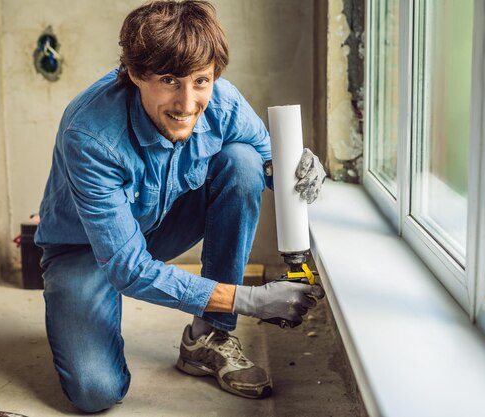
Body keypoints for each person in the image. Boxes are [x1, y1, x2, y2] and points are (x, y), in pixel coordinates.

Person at [35, 0, 326, 412]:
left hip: (160, 228)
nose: (188, 102)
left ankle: (209, 337)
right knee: (95, 392)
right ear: (136, 74)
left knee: (242, 162)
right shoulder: (90, 134)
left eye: (201, 81)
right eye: (169, 80)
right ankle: (85, 310)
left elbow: (268, 168)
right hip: (84, 251)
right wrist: (251, 299)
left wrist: (303, 168)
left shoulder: (223, 103)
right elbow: (128, 268)